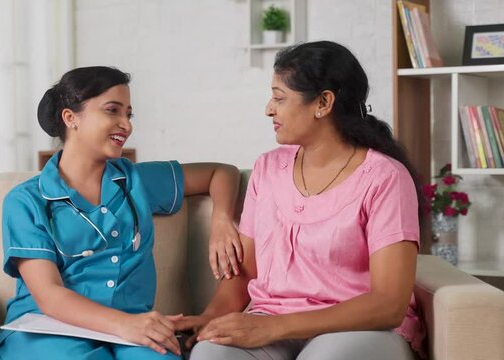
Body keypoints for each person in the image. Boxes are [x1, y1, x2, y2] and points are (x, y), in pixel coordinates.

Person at [176, 41, 426, 360]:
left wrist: (276, 327)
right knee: (212, 355)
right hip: (269, 321)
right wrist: (212, 319)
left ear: (323, 103)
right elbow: (245, 271)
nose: (269, 108)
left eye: (280, 98)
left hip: (358, 328)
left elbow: (388, 304)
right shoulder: (267, 168)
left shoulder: (385, 177)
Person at [0, 66, 241, 360]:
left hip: (131, 331)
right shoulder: (26, 201)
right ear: (71, 118)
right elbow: (50, 296)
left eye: (128, 114)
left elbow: (221, 173)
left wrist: (221, 221)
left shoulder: (136, 181)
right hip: (48, 330)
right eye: (112, 111)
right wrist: (126, 325)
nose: (126, 125)